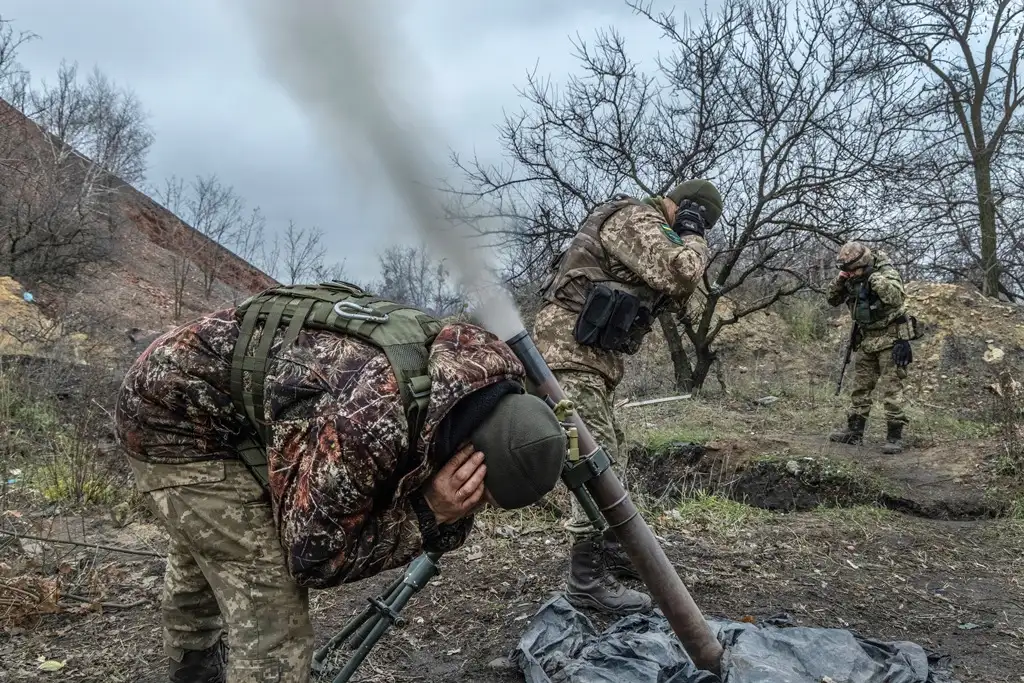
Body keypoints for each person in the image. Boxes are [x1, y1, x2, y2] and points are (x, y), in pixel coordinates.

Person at [114, 283, 567, 683]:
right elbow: (313, 557)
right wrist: (426, 514)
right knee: (272, 615)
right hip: (171, 420)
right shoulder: (373, 423)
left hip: (208, 386)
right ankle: (197, 670)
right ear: (470, 457)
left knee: (211, 544)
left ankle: (192, 670)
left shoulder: (483, 371)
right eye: (482, 496)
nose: (477, 506)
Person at [532, 179, 720, 615]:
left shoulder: (648, 229)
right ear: (683, 206)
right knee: (596, 463)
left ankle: (615, 552)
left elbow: (677, 293)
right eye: (698, 218)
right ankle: (587, 582)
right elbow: (682, 272)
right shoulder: (635, 217)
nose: (698, 229)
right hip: (568, 355)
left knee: (613, 451)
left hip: (586, 358)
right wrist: (692, 237)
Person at [827, 241, 915, 454]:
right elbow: (832, 300)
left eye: (852, 269)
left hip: (891, 337)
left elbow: (895, 298)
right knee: (861, 387)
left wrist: (871, 277)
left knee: (892, 389)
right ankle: (854, 431)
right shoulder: (849, 277)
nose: (850, 272)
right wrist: (841, 280)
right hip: (867, 339)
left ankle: (894, 437)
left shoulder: (884, 272)